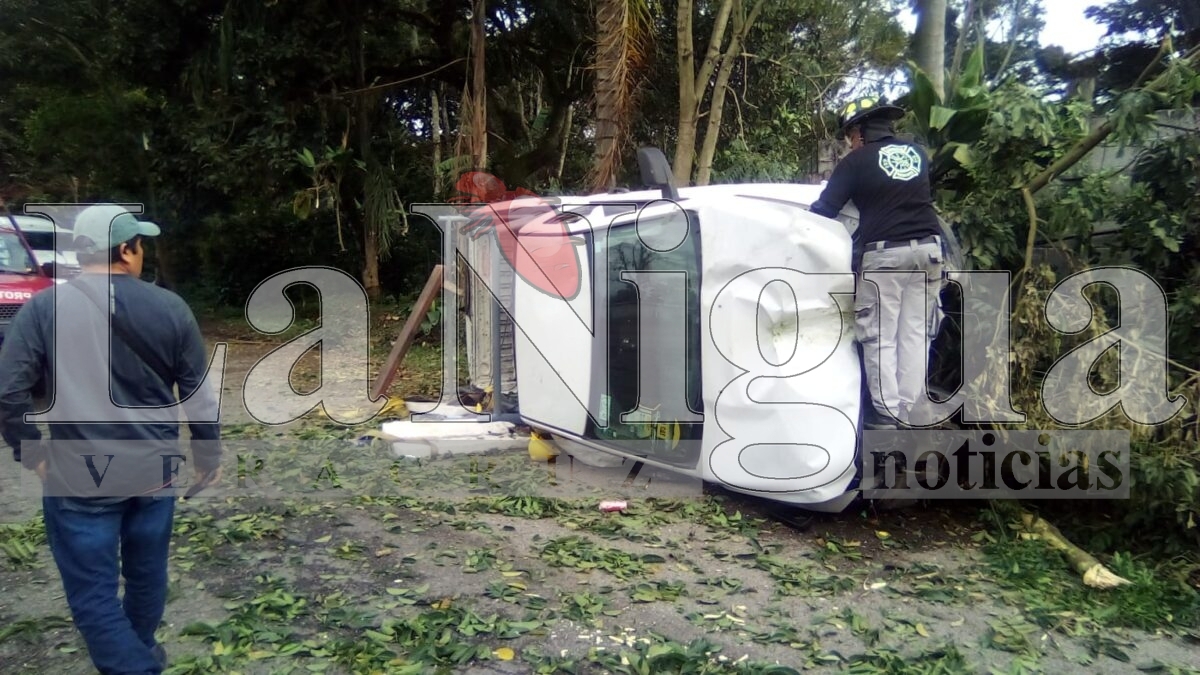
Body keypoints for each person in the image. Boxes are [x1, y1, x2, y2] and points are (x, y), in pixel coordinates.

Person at [0, 203, 223, 674]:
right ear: (126, 250)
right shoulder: (170, 308)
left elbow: (8, 391)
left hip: (79, 478)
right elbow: (199, 396)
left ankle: (135, 663)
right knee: (146, 576)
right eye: (140, 244)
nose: (142, 252)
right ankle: (139, 653)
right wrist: (207, 455)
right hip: (155, 471)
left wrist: (32, 452)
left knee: (93, 594)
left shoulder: (44, 309)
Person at [810, 98, 946, 429]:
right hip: (929, 253)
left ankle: (886, 416)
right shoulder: (917, 156)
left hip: (886, 257)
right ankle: (911, 412)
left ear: (859, 133)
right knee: (914, 334)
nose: (849, 144)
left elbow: (824, 211)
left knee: (881, 336)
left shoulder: (856, 161)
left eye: (849, 137)